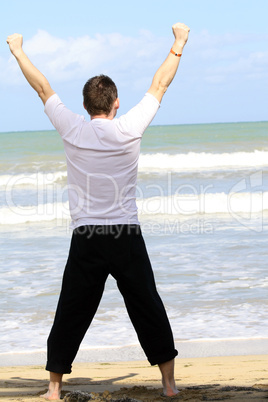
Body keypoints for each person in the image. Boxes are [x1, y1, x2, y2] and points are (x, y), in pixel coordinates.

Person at [7, 22, 190, 400]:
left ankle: (54, 390)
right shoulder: (129, 128)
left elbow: (42, 87)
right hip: (125, 235)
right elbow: (160, 85)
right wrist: (179, 42)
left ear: (86, 105)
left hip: (87, 237)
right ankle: (169, 385)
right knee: (148, 307)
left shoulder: (72, 127)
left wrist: (18, 52)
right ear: (116, 103)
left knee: (71, 311)